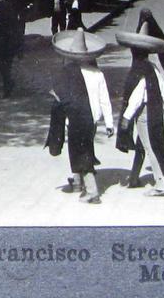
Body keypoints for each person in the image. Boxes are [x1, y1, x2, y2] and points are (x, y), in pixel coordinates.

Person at [44, 29, 114, 204]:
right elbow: (105, 100)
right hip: (93, 120)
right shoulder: (97, 73)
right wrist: (110, 123)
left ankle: (92, 191)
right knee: (82, 147)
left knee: (81, 152)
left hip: (75, 119)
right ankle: (77, 181)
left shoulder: (66, 73)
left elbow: (58, 98)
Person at [115, 20, 164, 196]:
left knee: (149, 146)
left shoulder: (137, 70)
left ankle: (161, 184)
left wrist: (127, 118)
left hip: (143, 114)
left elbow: (136, 97)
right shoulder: (152, 68)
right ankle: (134, 177)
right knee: (142, 144)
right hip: (156, 112)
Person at [0, 0, 25, 98]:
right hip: (7, 46)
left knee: (4, 68)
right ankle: (8, 83)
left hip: (6, 46)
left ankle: (7, 87)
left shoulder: (8, 20)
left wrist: (20, 49)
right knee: (4, 68)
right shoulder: (3, 20)